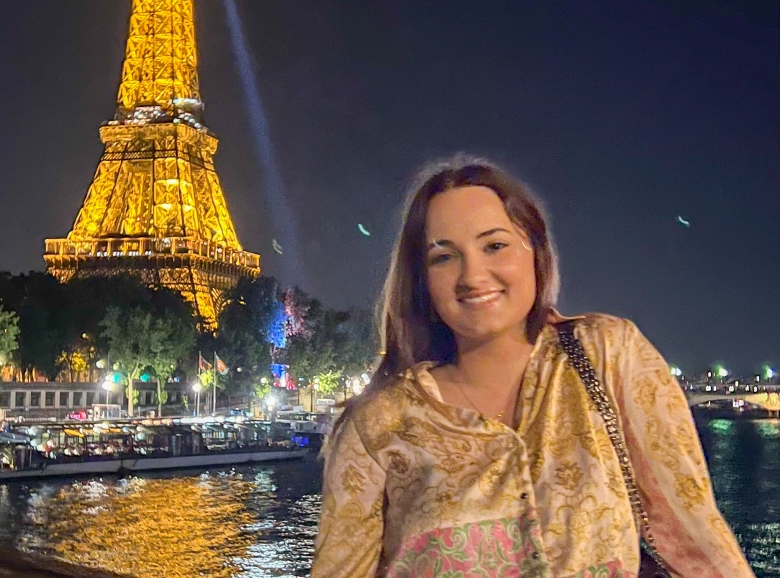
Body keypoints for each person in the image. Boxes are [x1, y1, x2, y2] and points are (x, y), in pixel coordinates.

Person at [311, 155, 754, 578]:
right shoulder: (377, 427)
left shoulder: (608, 355)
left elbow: (697, 540)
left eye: (495, 245)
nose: (472, 275)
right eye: (444, 256)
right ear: (422, 282)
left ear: (535, 251)